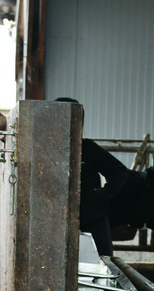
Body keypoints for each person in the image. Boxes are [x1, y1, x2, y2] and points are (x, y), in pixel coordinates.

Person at [55, 98, 130, 256]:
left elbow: (119, 171)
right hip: (56, 220)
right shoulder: (46, 151)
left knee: (102, 262)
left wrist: (101, 195)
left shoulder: (87, 148)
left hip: (91, 219)